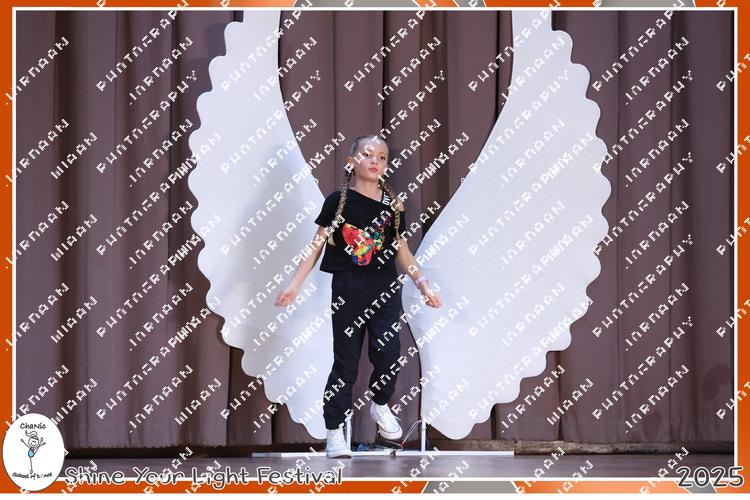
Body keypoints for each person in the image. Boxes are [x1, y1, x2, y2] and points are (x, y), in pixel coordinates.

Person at [275, 134, 442, 458]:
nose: (374, 161)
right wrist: (294, 284)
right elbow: (316, 246)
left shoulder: (393, 207)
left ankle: (380, 404)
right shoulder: (338, 201)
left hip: (385, 289)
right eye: (367, 154)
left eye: (381, 157)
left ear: (386, 165)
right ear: (352, 161)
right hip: (348, 289)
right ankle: (334, 433)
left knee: (389, 352)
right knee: (346, 363)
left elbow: (403, 252)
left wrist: (423, 284)